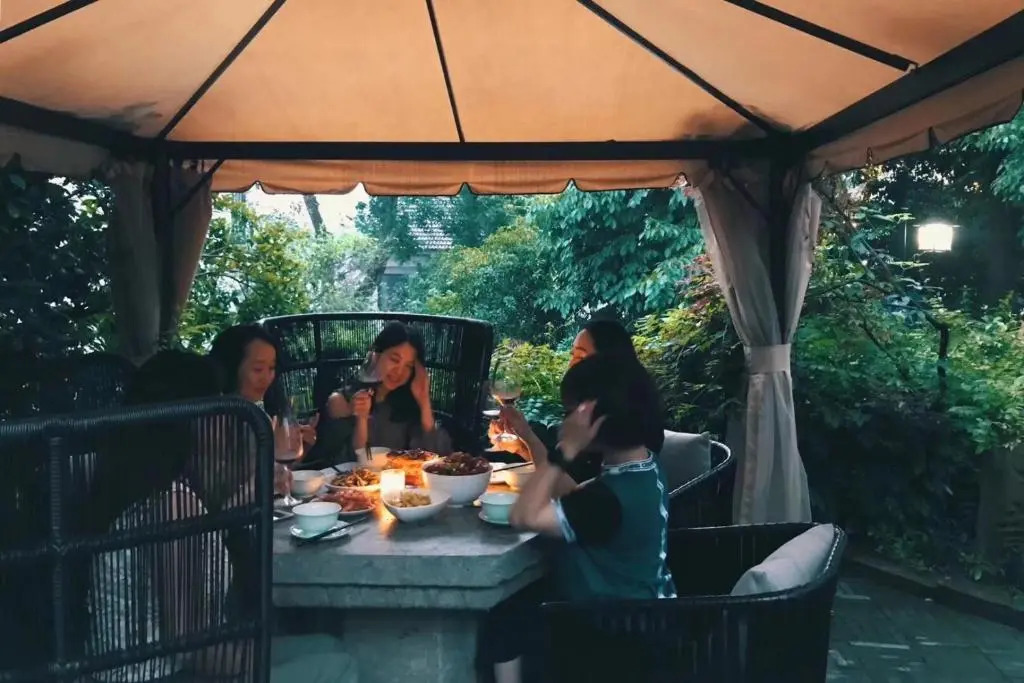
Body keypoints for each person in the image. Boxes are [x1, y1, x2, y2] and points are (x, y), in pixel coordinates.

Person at [80, 350, 357, 683]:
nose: (227, 418)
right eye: (218, 405)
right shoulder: (173, 503)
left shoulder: (143, 484)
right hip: (157, 674)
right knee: (337, 666)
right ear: (192, 418)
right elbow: (189, 644)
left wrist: (239, 503)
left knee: (328, 647)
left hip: (170, 664)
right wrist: (251, 657)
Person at [479, 356, 676, 683]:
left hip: (611, 640)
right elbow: (572, 493)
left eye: (570, 411)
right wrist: (528, 437)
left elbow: (523, 515)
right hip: (647, 622)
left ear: (595, 419)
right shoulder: (642, 467)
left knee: (505, 614)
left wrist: (565, 450)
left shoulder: (607, 501)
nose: (566, 419)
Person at [326, 322, 451, 457]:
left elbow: (437, 458)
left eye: (408, 366)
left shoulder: (406, 404)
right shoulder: (342, 401)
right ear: (376, 356)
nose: (399, 372)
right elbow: (353, 460)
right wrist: (361, 419)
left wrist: (424, 402)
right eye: (395, 360)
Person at [208, 324, 318, 449]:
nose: (266, 378)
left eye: (271, 368)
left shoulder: (261, 415)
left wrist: (301, 445)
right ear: (231, 367)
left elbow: (277, 460)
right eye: (258, 369)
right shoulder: (213, 423)